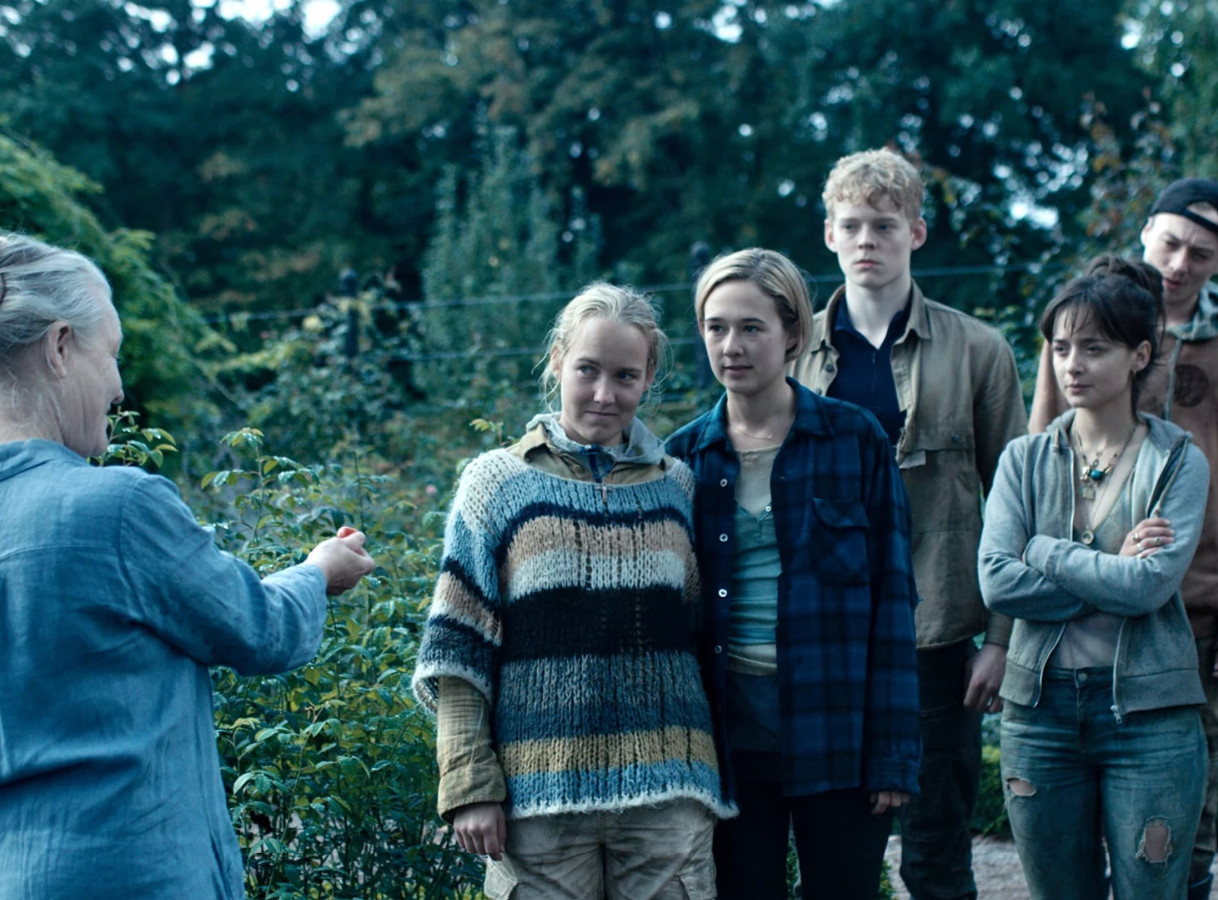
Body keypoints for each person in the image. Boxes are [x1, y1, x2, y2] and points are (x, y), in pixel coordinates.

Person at [0, 230, 377, 897]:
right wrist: (320, 571)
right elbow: (261, 629)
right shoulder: (117, 509)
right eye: (111, 354)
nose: (119, 387)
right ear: (59, 347)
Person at [412, 283, 730, 900]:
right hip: (537, 799)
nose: (605, 394)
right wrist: (470, 785)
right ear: (557, 360)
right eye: (587, 369)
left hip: (670, 796)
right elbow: (458, 648)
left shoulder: (678, 488)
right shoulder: (496, 483)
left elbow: (699, 635)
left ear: (649, 377)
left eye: (625, 376)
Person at [1029, 178, 1218, 899]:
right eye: (1170, 244)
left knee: (1180, 832)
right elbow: (1040, 461)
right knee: (1070, 818)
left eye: (1201, 254)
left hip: (1195, 618)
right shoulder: (1080, 325)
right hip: (1081, 612)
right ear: (1146, 231)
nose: (1179, 264)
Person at [788, 148, 1025, 900]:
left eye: (885, 226)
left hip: (936, 633)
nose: (868, 240)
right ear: (829, 233)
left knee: (938, 852)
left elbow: (1018, 502)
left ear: (916, 233)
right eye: (852, 224)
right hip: (824, 636)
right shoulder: (790, 354)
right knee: (835, 854)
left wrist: (1002, 640)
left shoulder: (978, 350)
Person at [666, 248, 919, 900]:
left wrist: (892, 754)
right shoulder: (681, 459)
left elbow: (894, 599)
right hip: (725, 737)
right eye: (716, 327)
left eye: (752, 327)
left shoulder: (854, 439)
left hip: (837, 728)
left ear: (793, 334)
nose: (732, 346)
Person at [979, 254, 1212, 900]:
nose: (1072, 365)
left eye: (1094, 348)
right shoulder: (1023, 460)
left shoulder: (1177, 461)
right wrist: (1111, 568)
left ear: (1140, 356)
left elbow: (1147, 588)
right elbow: (997, 582)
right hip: (1039, 714)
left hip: (1151, 717)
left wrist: (1043, 550)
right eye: (1061, 348)